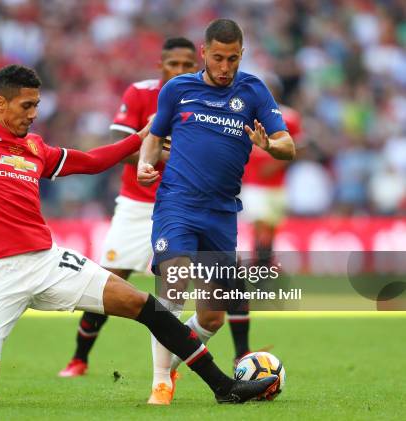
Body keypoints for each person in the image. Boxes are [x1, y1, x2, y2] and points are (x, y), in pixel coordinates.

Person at [0, 61, 279, 406]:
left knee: (143, 304)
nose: (33, 114)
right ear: (0, 104)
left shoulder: (35, 148)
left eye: (37, 105)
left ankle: (224, 388)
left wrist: (143, 136)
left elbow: (92, 161)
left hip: (46, 260)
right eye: (26, 106)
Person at [137, 18, 295, 401]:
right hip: (177, 203)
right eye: (219, 58)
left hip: (222, 212)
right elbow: (154, 138)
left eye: (234, 59)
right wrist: (146, 162)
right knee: (173, 283)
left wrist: (268, 145)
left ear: (243, 55)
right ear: (203, 53)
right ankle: (160, 381)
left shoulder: (254, 90)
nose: (226, 68)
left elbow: (287, 145)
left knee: (211, 315)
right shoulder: (178, 89)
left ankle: (172, 365)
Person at [58, 36, 199, 404]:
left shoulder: (205, 98)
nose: (181, 71)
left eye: (188, 65)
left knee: (182, 291)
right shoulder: (140, 93)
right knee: (110, 281)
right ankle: (79, 358)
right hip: (137, 205)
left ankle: (169, 371)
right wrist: (164, 157)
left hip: (182, 206)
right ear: (161, 66)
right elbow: (121, 146)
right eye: (174, 65)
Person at [232, 73, 303, 365]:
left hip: (277, 186)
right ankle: (260, 279)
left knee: (269, 231)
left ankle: (262, 274)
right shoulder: (245, 113)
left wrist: (272, 167)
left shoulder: (290, 117)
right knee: (260, 228)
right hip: (254, 187)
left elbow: (295, 148)